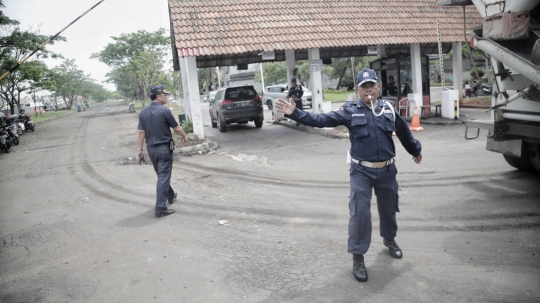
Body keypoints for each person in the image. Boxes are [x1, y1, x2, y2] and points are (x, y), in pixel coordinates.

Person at [275, 68, 422, 283]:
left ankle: (389, 240)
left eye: (371, 85)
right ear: (358, 90)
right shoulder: (350, 111)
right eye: (364, 87)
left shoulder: (388, 108)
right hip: (362, 171)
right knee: (360, 213)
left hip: (388, 170)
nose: (368, 90)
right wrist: (294, 113)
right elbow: (321, 120)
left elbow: (404, 132)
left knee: (389, 209)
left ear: (377, 87)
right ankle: (358, 257)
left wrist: (415, 150)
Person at [137, 85, 188, 218]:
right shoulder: (164, 111)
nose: (166, 97)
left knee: (162, 175)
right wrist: (184, 136)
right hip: (164, 149)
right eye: (165, 95)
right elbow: (176, 128)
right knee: (163, 176)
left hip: (151, 150)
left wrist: (140, 150)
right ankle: (160, 207)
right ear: (158, 96)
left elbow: (141, 133)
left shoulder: (143, 112)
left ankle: (170, 195)